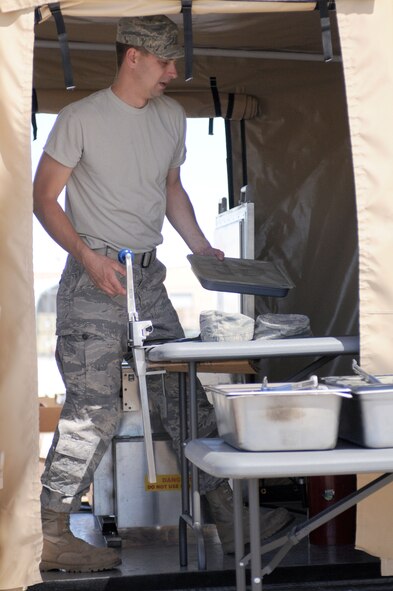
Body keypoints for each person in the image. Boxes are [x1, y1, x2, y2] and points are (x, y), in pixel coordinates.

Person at [33, 15, 291, 573]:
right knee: (93, 410)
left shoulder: (172, 117)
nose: (174, 72)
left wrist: (201, 246)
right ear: (133, 57)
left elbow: (171, 189)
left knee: (186, 404)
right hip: (94, 277)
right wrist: (87, 257)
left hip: (149, 282)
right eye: (165, 62)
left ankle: (233, 522)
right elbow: (45, 199)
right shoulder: (80, 119)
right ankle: (51, 534)